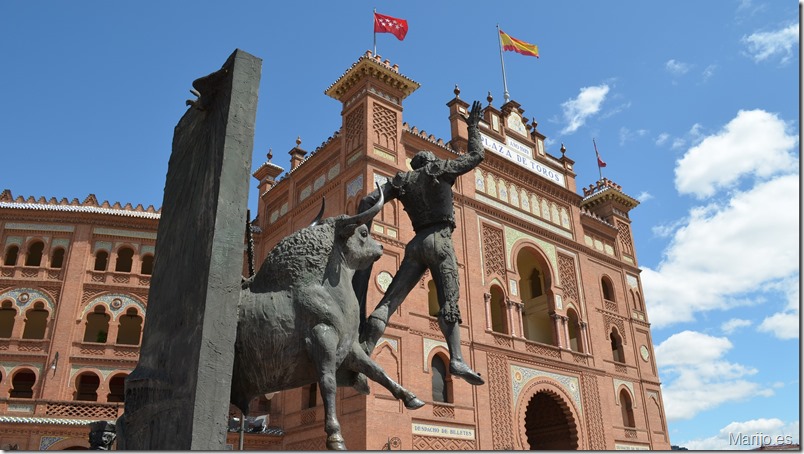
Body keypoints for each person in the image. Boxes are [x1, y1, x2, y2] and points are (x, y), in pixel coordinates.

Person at [355, 100, 485, 386]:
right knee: (449, 302)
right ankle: (458, 359)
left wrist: (364, 229)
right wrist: (473, 126)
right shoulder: (440, 170)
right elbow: (476, 155)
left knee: (389, 302)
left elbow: (368, 201)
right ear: (429, 160)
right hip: (440, 240)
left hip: (414, 244)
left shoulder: (403, 181)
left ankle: (364, 349)